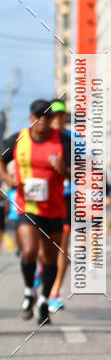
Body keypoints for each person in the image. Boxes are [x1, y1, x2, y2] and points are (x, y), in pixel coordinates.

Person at [0, 99, 71, 325]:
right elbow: (1, 160)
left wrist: (64, 169)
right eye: (39, 115)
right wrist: (7, 178)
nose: (43, 120)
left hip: (54, 207)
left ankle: (43, 301)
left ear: (52, 120)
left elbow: (77, 172)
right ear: (31, 117)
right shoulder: (18, 138)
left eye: (48, 116)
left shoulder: (63, 140)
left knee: (50, 258)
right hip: (26, 205)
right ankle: (29, 290)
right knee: (29, 251)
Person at [46, 98, 71, 313]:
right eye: (52, 114)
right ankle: (41, 271)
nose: (57, 119)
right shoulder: (35, 138)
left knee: (62, 246)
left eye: (61, 114)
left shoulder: (72, 140)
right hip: (41, 200)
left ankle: (54, 292)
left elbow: (86, 171)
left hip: (66, 198)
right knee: (39, 247)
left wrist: (65, 170)